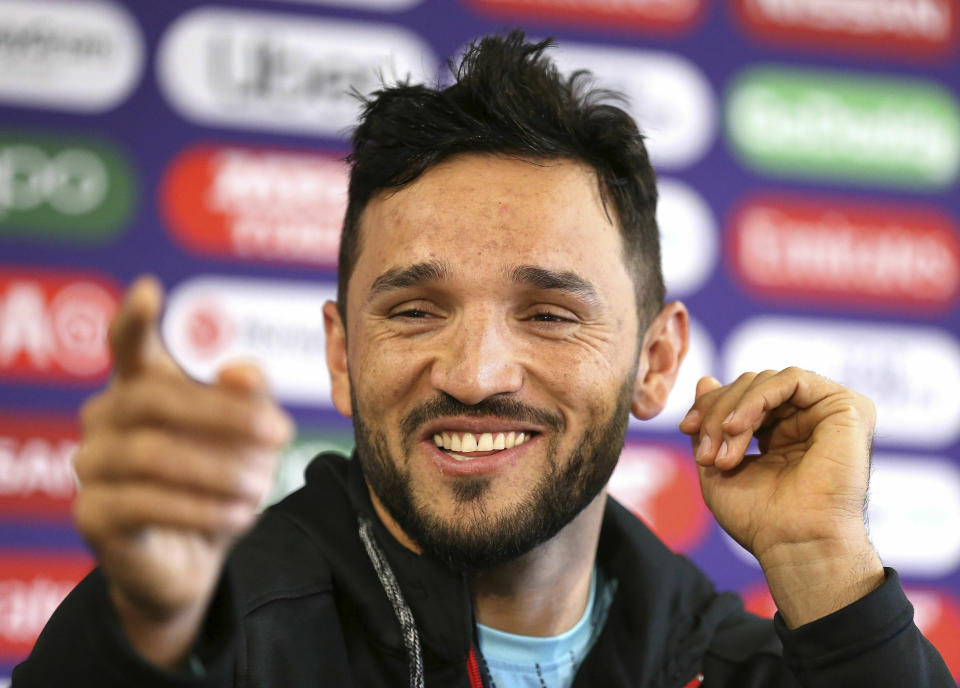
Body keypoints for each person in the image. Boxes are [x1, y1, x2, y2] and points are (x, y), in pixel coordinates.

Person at [13, 32, 953, 688]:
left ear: (655, 361)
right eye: (416, 310)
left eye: (548, 314)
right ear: (342, 354)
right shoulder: (207, 637)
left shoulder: (748, 667)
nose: (475, 372)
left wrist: (823, 562)